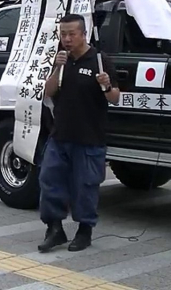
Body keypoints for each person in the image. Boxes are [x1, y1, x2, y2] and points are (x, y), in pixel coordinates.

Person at [38, 14, 120, 253]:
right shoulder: (61, 61)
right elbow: (48, 92)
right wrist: (57, 67)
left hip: (89, 137)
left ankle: (85, 230)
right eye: (63, 34)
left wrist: (106, 84)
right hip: (60, 134)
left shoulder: (99, 60)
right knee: (49, 180)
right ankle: (54, 229)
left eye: (72, 34)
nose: (67, 39)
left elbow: (115, 97)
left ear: (84, 34)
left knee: (85, 185)